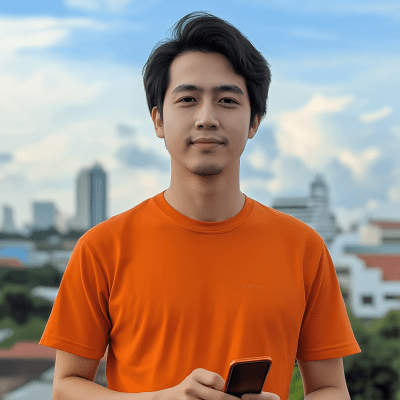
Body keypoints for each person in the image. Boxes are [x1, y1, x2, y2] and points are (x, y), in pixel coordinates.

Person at [40, 11, 361, 400]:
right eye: (188, 99)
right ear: (158, 119)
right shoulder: (102, 247)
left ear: (254, 121)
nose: (206, 118)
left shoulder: (303, 247)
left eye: (227, 100)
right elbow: (65, 388)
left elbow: (330, 389)